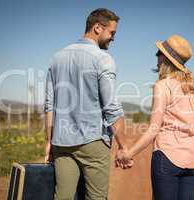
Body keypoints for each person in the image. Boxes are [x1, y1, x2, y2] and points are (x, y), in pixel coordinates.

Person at [44, 8, 132, 200]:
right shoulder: (102, 59)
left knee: (62, 197)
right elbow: (111, 107)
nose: (113, 38)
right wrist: (124, 146)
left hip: (62, 143)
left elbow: (50, 106)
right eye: (112, 32)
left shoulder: (56, 58)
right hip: (93, 141)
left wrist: (49, 142)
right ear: (98, 28)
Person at [116, 35, 194, 200]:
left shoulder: (162, 86)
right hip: (193, 160)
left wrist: (129, 153)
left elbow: (153, 129)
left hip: (167, 157)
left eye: (159, 52)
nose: (156, 56)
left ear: (165, 59)